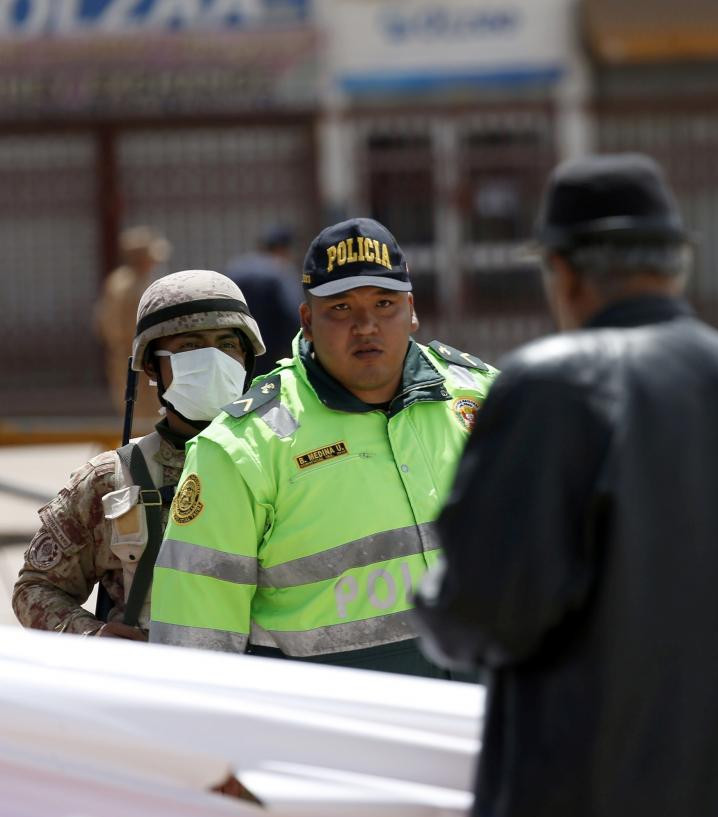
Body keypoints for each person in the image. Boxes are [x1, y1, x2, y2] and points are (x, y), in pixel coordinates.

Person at [413, 153, 718, 817]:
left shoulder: (552, 387)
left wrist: (432, 596)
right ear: (676, 264)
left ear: (562, 273)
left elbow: (484, 610)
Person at [149, 217, 495, 676]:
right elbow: (193, 647)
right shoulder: (243, 447)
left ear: (411, 310)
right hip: (336, 735)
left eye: (384, 303)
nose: (366, 325)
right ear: (308, 320)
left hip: (492, 716)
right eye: (341, 309)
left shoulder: (486, 399)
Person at [13, 271, 265, 638]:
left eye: (228, 344)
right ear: (151, 365)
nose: (214, 361)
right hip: (154, 687)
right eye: (191, 346)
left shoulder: (281, 461)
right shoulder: (111, 480)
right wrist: (94, 636)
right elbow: (35, 589)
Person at [94, 226, 172, 412]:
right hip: (138, 354)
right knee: (140, 408)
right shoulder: (128, 285)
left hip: (136, 353)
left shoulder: (121, 281)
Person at [224, 223, 302, 374]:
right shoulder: (280, 272)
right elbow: (292, 316)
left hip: (236, 353)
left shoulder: (236, 268)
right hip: (271, 356)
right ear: (283, 248)